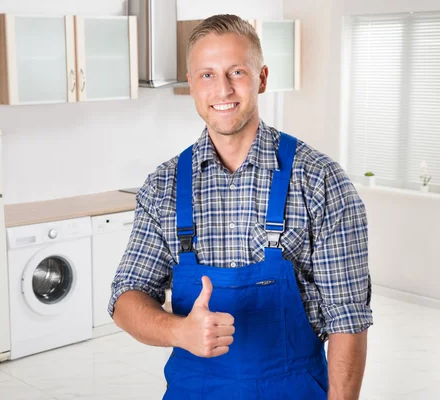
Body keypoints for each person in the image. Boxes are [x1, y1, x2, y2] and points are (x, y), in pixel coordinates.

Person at [108, 14, 373, 400]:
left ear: (262, 78)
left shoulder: (320, 181)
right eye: (207, 75)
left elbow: (348, 320)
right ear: (192, 84)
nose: (223, 89)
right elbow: (125, 296)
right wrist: (178, 331)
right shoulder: (163, 187)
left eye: (237, 72)